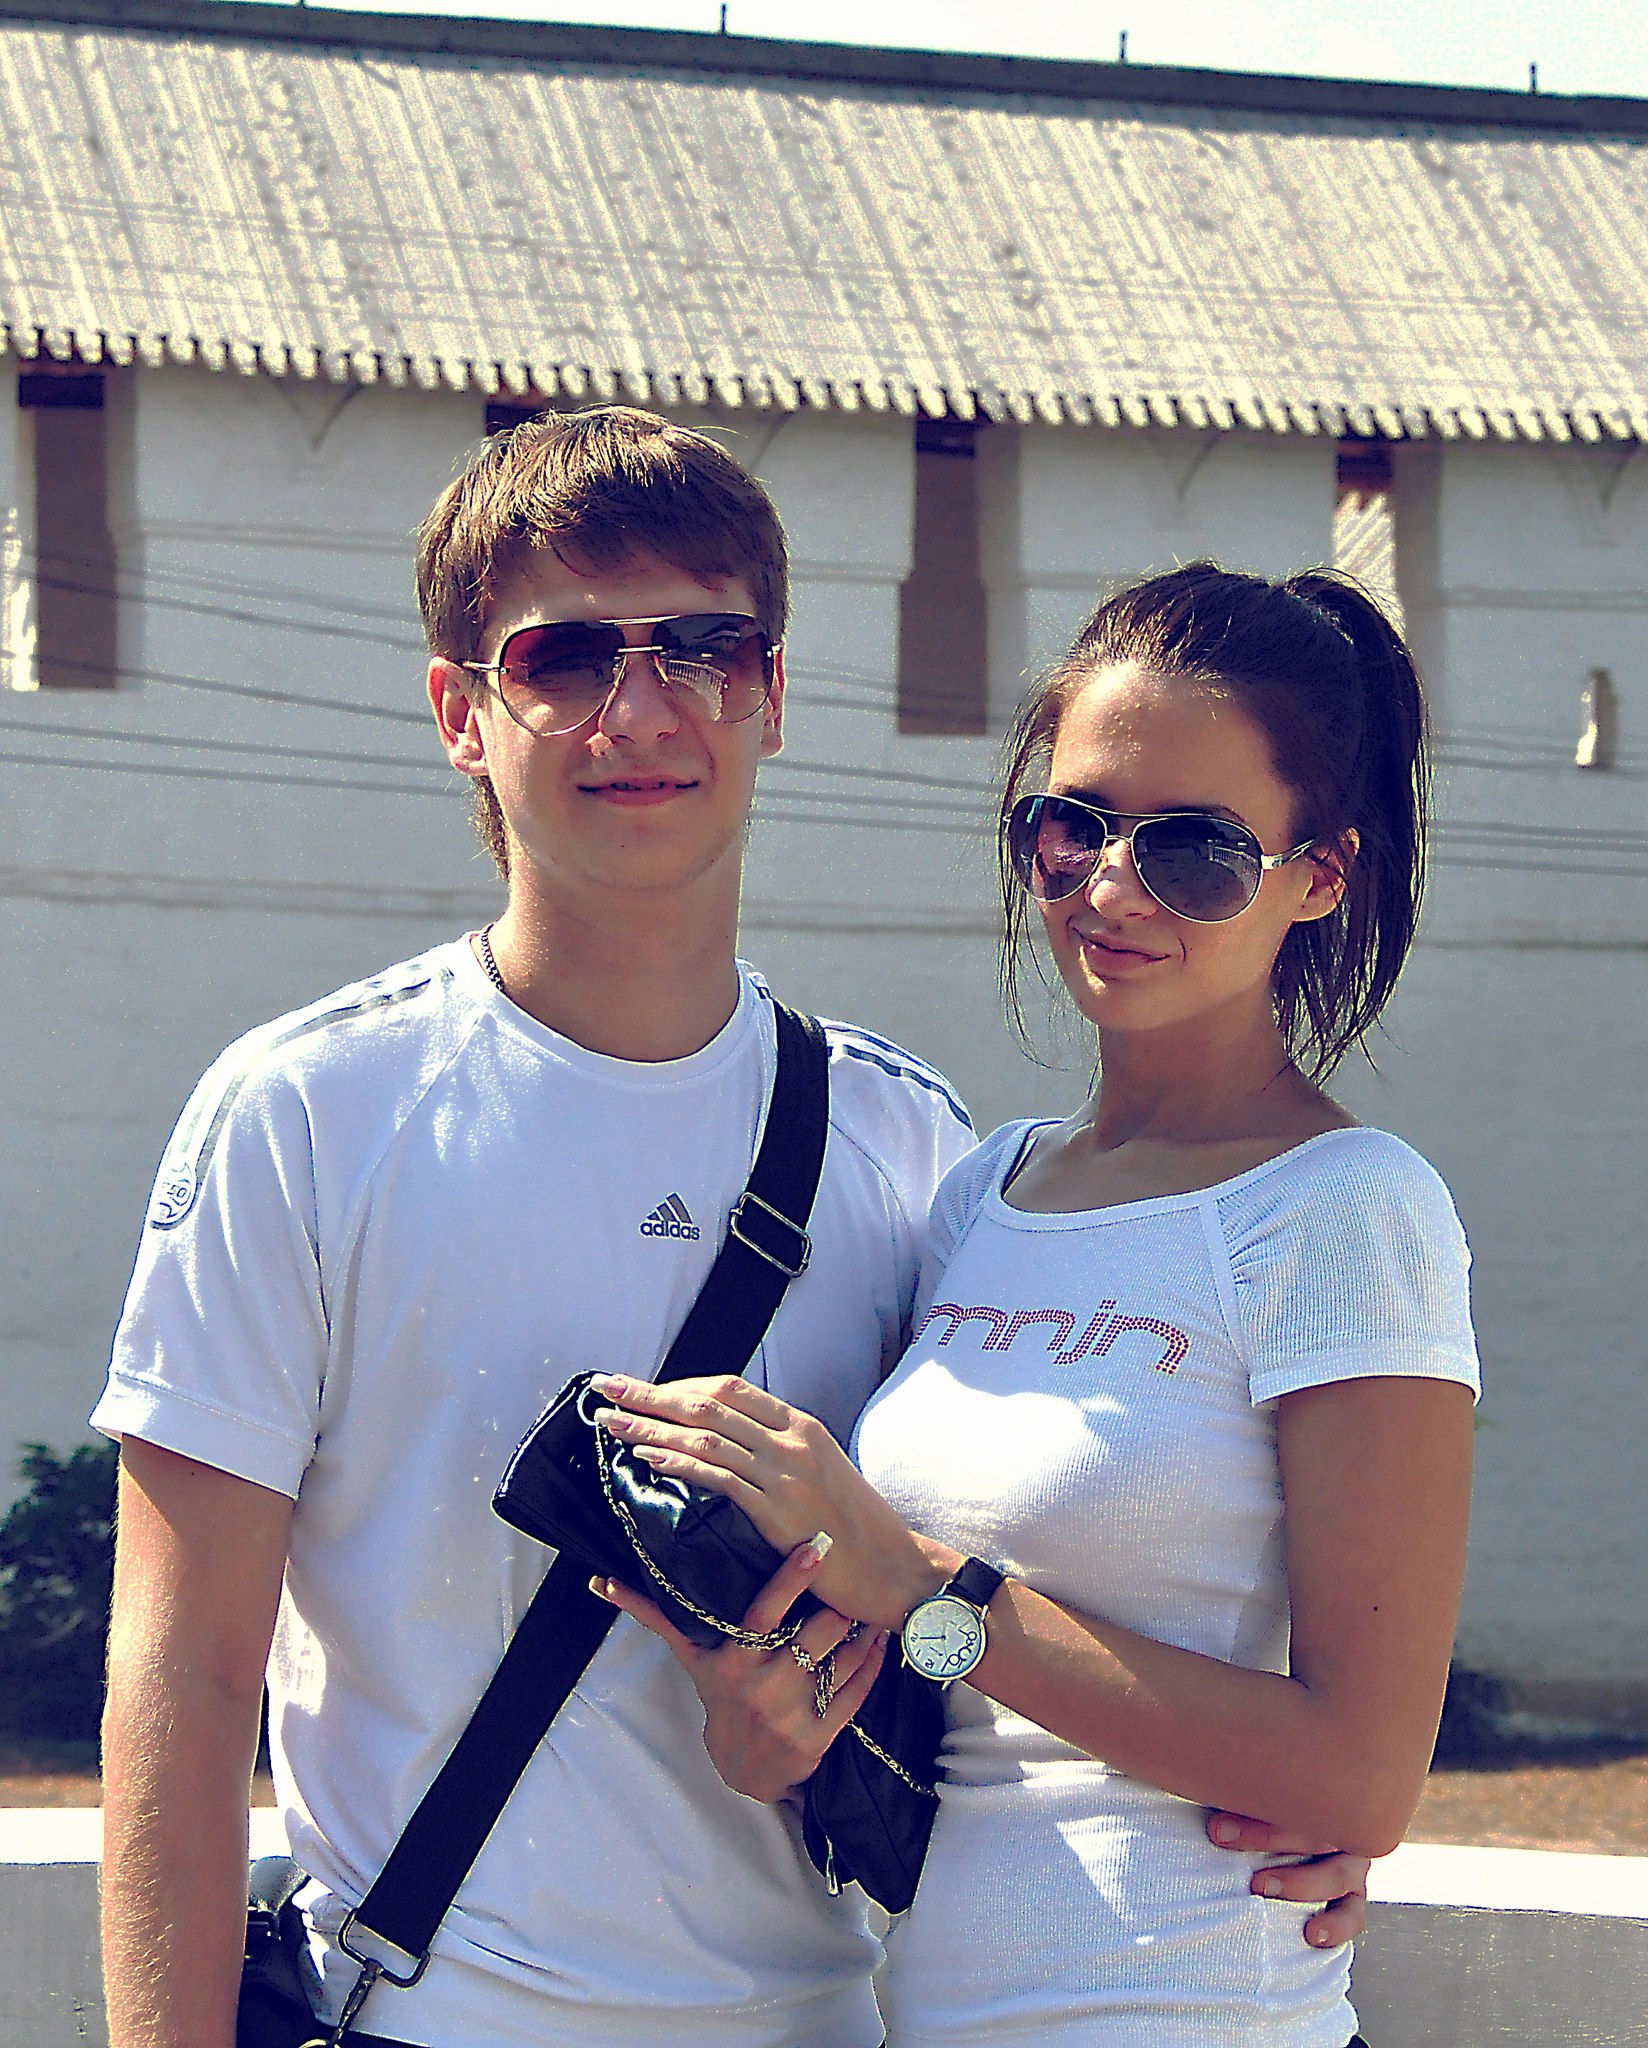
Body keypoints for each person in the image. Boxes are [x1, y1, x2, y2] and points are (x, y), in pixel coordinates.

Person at [95, 418, 1371, 2048]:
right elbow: (180, 1680)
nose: (641, 713)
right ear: (461, 715)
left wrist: (1291, 1807)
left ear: (772, 694)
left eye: (702, 648)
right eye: (563, 659)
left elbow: (1023, 1578)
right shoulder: (306, 1117)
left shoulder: (910, 1149)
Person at [589, 562, 1479, 2047]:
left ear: (1320, 875)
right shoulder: (983, 1196)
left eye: (1194, 850)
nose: (1111, 890)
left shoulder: (1347, 1214)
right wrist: (776, 1737)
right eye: (1073, 828)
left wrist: (924, 1589)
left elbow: (1358, 1778)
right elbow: (939, 1680)